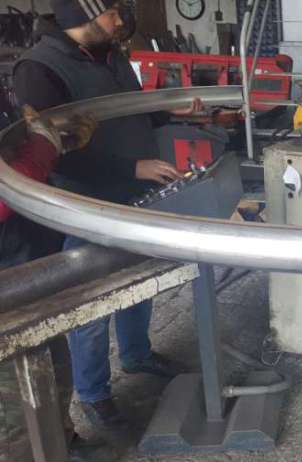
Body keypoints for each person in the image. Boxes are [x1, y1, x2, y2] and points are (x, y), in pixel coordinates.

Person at [12, 0, 200, 428]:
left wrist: (168, 110)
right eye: (110, 12)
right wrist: (132, 167)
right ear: (81, 17)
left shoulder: (110, 54)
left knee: (139, 279)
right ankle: (94, 393)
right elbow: (54, 152)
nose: (120, 21)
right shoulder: (39, 70)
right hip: (86, 204)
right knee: (92, 301)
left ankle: (136, 354)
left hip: (134, 194)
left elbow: (126, 107)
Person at [0, 106, 98, 461]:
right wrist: (43, 147)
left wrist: (57, 144)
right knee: (15, 402)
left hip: (31, 269)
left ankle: (62, 443)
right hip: (6, 288)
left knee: (54, 370)